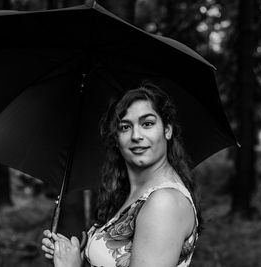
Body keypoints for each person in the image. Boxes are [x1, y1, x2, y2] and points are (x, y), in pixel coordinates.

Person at [41, 81, 202, 267]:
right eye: (125, 127)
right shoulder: (131, 193)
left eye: (147, 124)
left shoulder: (164, 203)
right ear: (116, 139)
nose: (136, 136)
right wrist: (74, 258)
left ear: (167, 130)